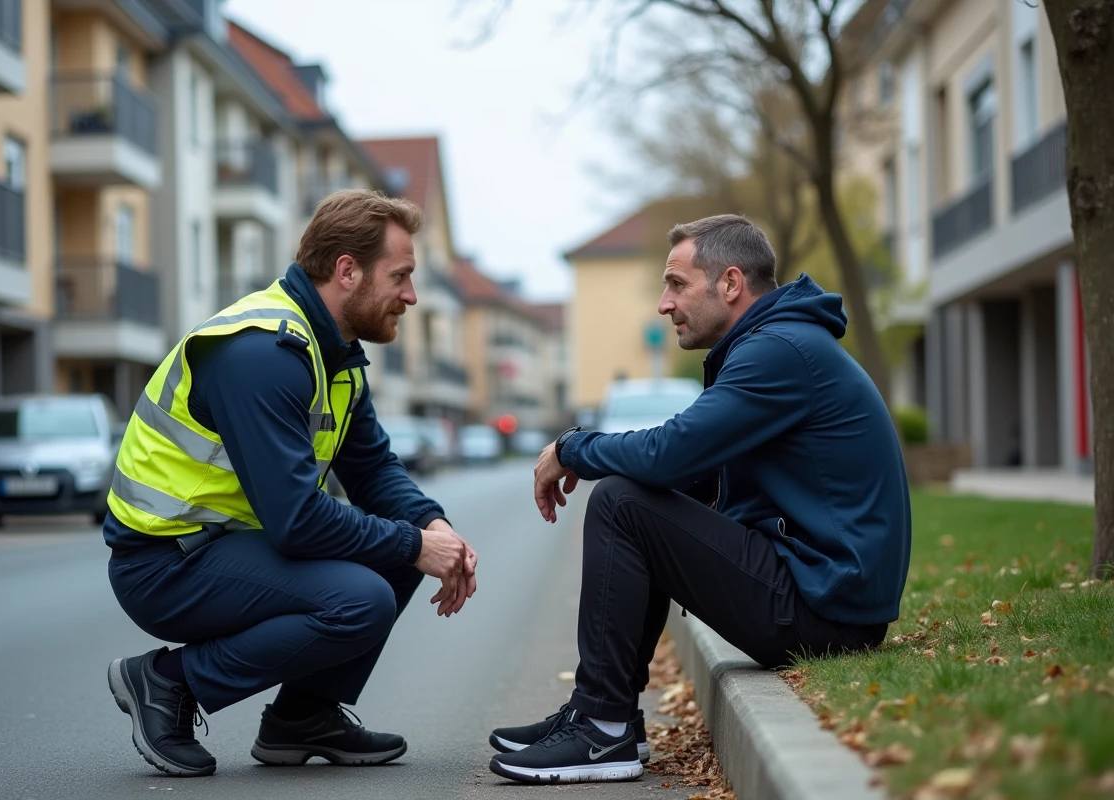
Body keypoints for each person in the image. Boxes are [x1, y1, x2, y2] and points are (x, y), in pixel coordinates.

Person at [488, 214, 910, 785]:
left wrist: (571, 448)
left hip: (826, 608)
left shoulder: (778, 351)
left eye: (677, 284)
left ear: (730, 283)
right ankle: (605, 714)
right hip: (829, 596)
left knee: (620, 503)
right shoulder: (778, 343)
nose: (664, 304)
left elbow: (670, 453)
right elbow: (692, 470)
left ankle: (602, 728)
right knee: (635, 498)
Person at [104, 190, 478, 778]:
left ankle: (302, 718)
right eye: (400, 276)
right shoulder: (261, 354)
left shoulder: (334, 353)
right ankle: (167, 682)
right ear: (347, 271)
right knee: (363, 597)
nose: (410, 295)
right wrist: (414, 543)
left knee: (405, 548)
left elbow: (373, 468)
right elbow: (298, 520)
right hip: (166, 562)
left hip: (229, 545)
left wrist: (435, 530)